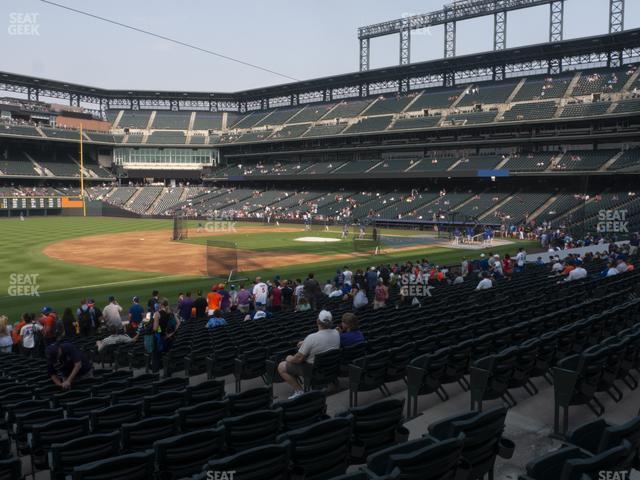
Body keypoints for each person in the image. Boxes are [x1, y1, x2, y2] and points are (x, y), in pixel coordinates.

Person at [277, 310, 340, 399]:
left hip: (313, 371)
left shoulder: (311, 338)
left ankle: (299, 391)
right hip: (330, 368)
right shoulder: (336, 333)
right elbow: (324, 338)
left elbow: (298, 359)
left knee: (281, 366)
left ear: (318, 321)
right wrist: (305, 342)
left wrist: (289, 358)